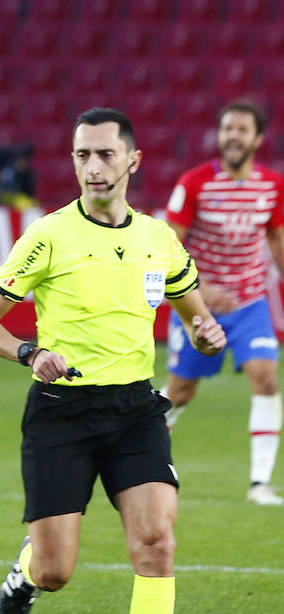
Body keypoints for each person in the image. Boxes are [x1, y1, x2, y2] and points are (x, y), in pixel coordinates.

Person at [0, 108, 226, 614]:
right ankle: (27, 575)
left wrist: (204, 328)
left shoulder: (159, 240)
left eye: (106, 154)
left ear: (132, 161)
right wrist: (30, 353)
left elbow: (193, 308)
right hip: (63, 411)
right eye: (82, 155)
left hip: (135, 409)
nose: (93, 167)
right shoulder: (49, 237)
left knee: (157, 542)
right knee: (58, 570)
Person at [164, 100, 284, 506]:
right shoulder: (195, 182)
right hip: (199, 304)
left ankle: (259, 485)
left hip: (250, 302)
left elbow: (276, 239)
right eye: (227, 128)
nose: (232, 135)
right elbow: (168, 244)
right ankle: (139, 447)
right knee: (181, 391)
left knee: (266, 379)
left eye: (241, 129)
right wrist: (203, 288)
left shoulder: (271, 185)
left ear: (258, 138)